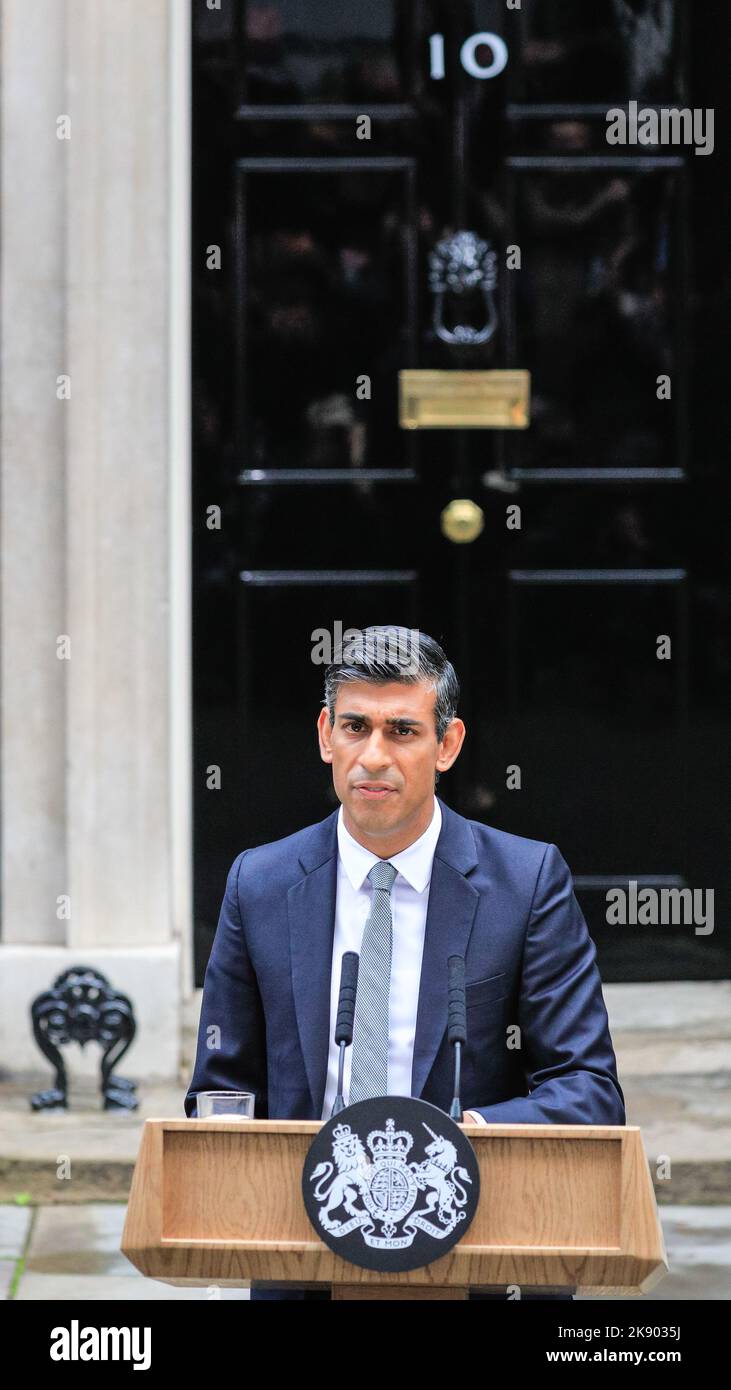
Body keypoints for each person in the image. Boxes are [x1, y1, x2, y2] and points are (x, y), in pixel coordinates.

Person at [185, 626, 625, 1301]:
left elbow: (587, 1090)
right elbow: (221, 1094)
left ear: (446, 745)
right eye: (355, 727)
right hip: (305, 1259)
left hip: (485, 1258)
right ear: (324, 734)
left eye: (402, 732)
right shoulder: (260, 884)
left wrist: (462, 1137)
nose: (373, 757)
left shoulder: (526, 882)